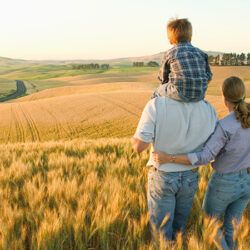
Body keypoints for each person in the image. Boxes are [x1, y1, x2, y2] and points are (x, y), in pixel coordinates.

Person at [153, 76, 250, 249]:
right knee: (231, 227)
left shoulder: (225, 125)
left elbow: (205, 157)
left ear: (224, 96)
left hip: (224, 183)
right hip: (247, 183)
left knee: (211, 223)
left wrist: (169, 158)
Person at [132, 93, 217, 240]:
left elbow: (139, 147)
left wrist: (135, 138)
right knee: (179, 230)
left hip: (163, 175)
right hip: (190, 176)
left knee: (161, 235)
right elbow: (211, 149)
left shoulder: (156, 104)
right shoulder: (208, 107)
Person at [152, 18, 212, 102]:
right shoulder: (201, 53)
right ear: (190, 36)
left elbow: (163, 78)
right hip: (200, 94)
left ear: (170, 38)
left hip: (179, 93)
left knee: (157, 91)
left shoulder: (170, 53)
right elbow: (209, 75)